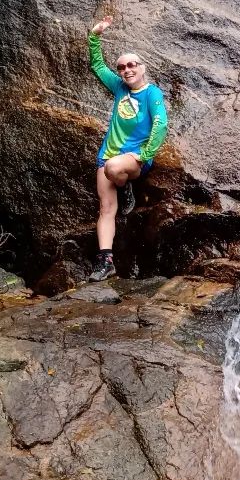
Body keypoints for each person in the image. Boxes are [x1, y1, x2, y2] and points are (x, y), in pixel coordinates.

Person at [86, 17, 168, 282]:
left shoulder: (152, 93)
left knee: (114, 168)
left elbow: (161, 123)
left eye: (131, 65)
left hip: (133, 160)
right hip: (107, 156)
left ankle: (128, 185)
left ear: (142, 68)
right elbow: (97, 65)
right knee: (106, 209)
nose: (126, 70)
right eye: (121, 67)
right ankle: (105, 261)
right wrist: (94, 36)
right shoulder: (119, 88)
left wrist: (145, 155)